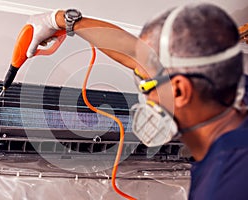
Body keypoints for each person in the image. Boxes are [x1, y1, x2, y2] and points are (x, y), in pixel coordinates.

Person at [24, 3, 248, 199]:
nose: (144, 96)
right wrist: (60, 20)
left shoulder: (224, 186)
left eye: (146, 85)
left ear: (179, 91)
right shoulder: (234, 91)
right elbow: (137, 54)